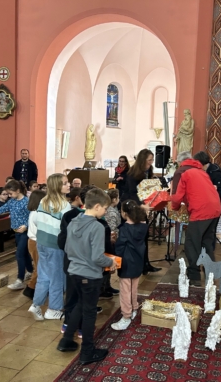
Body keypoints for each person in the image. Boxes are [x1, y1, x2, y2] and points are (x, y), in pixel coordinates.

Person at [57, 188, 117, 365]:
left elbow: (67, 249)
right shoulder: (97, 227)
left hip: (74, 271)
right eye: (105, 208)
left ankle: (67, 340)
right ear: (97, 206)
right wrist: (110, 263)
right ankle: (87, 352)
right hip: (90, 275)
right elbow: (97, 257)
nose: (106, 211)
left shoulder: (74, 220)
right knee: (89, 313)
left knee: (79, 306)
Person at [171, 157, 221, 282]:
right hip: (215, 209)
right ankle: (210, 274)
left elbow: (177, 197)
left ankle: (194, 276)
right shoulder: (202, 173)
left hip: (201, 211)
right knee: (206, 242)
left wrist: (174, 207)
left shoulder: (184, 174)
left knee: (191, 243)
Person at [28, 174, 71, 320]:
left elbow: (39, 222)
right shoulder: (64, 205)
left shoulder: (44, 201)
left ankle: (36, 304)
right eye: (65, 183)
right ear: (57, 186)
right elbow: (66, 229)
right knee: (57, 277)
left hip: (41, 242)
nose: (69, 185)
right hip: (55, 245)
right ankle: (54, 309)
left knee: (44, 276)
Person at [121, 148, 161, 274]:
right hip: (133, 207)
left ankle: (146, 263)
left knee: (144, 235)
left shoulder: (147, 171)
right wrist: (141, 205)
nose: (151, 162)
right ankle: (137, 264)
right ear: (143, 160)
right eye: (149, 160)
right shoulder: (132, 173)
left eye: (152, 160)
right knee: (136, 236)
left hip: (143, 206)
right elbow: (132, 193)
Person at [111, 200, 148, 331]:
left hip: (126, 262)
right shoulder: (143, 226)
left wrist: (114, 243)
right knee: (134, 287)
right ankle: (134, 308)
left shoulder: (125, 229)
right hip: (138, 261)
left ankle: (126, 316)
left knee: (125, 290)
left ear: (125, 213)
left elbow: (120, 247)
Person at [22, 190, 45, 299]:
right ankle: (30, 289)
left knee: (40, 266)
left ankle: (35, 288)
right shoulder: (36, 213)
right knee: (39, 267)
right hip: (35, 242)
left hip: (35, 241)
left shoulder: (36, 212)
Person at [193, 151, 221, 215]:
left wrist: (210, 191)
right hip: (207, 206)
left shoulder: (215, 172)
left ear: (201, 163)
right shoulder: (202, 171)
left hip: (217, 207)